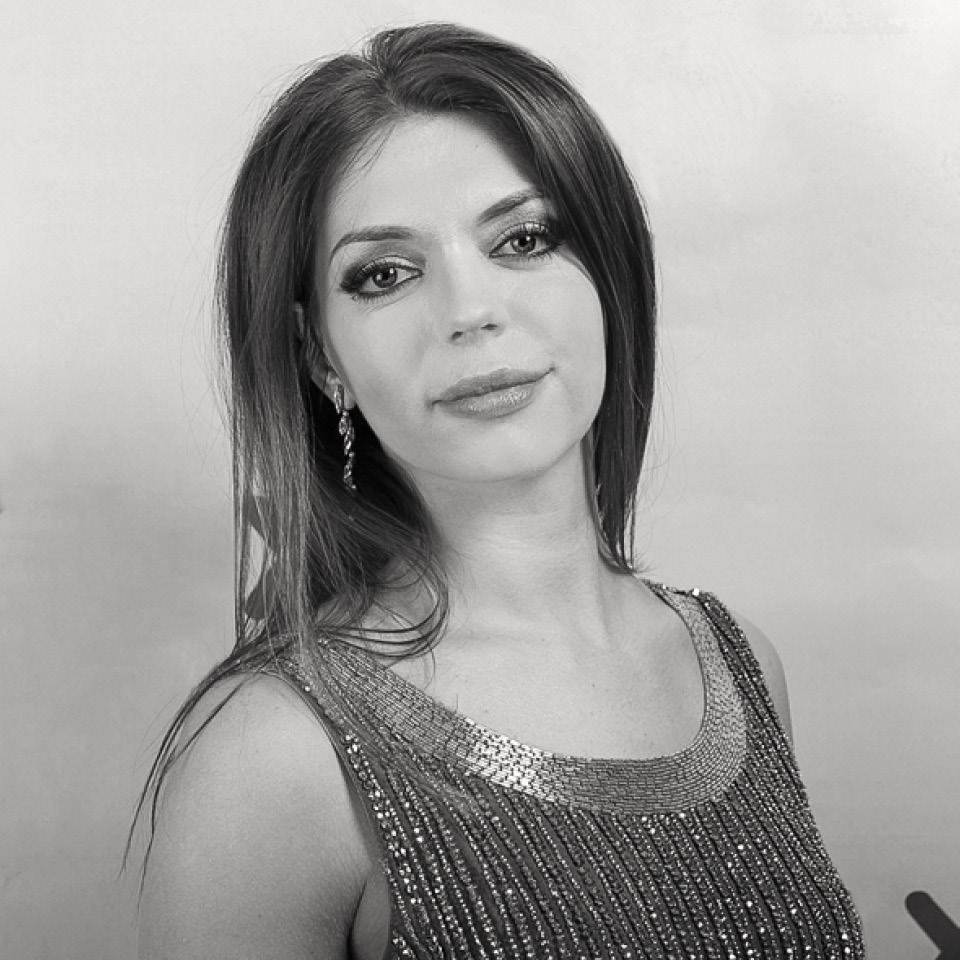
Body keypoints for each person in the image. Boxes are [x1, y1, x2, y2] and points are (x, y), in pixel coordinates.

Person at [129, 22, 866, 960]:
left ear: (608, 273)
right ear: (320, 356)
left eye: (524, 239)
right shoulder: (270, 757)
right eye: (385, 274)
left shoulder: (739, 664)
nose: (471, 310)